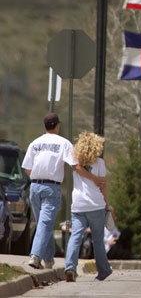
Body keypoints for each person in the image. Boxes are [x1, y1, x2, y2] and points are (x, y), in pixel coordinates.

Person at [22, 113, 103, 270]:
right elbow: (76, 166)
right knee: (45, 224)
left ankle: (49, 259)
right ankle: (35, 256)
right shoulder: (63, 143)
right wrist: (93, 178)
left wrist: (38, 177)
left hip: (35, 186)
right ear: (57, 126)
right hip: (51, 187)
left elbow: (26, 168)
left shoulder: (35, 143)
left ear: (44, 126)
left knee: (43, 224)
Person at [64, 132, 113, 282]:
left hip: (78, 204)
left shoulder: (75, 160)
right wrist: (107, 205)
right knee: (98, 240)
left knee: (76, 236)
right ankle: (103, 270)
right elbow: (103, 186)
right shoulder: (100, 163)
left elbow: (76, 167)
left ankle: (70, 267)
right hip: (95, 205)